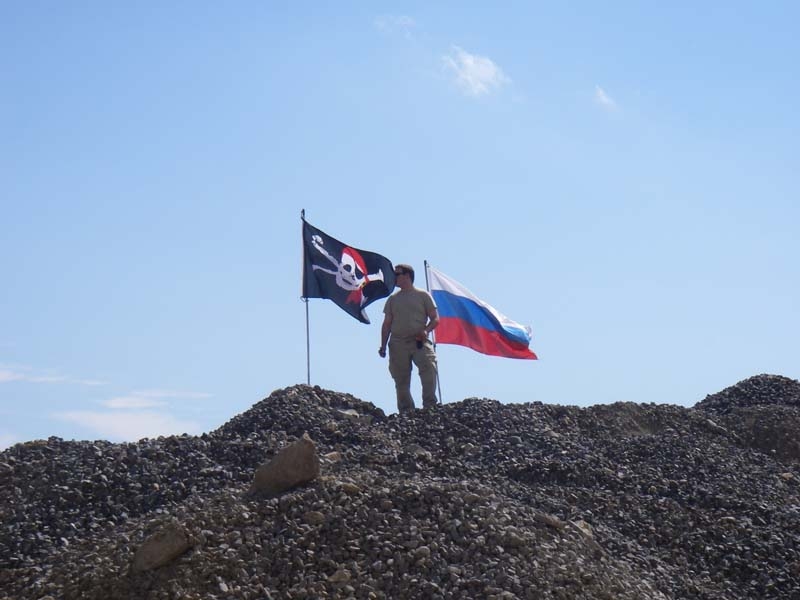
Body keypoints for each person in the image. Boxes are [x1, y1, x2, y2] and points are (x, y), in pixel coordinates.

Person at [378, 263, 440, 414]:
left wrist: (426, 331)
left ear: (407, 276)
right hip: (398, 342)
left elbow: (435, 318)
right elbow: (387, 324)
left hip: (419, 341)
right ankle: (406, 411)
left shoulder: (423, 295)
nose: (394, 277)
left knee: (429, 369)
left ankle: (430, 406)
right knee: (401, 378)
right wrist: (383, 345)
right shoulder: (393, 299)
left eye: (397, 274)